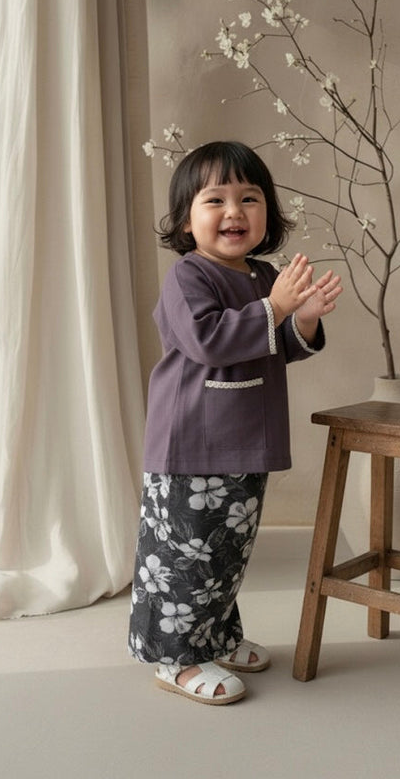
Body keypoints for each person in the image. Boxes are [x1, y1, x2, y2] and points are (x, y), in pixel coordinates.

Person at [128, 140, 342, 705]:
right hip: (190, 442)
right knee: (184, 553)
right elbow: (208, 340)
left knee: (227, 550)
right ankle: (175, 658)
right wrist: (276, 307)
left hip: (247, 438)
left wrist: (304, 318)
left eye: (249, 198)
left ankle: (216, 636)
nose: (234, 212)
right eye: (215, 200)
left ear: (267, 211)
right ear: (185, 220)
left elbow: (278, 347)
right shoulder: (188, 277)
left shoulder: (264, 275)